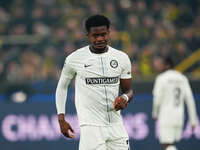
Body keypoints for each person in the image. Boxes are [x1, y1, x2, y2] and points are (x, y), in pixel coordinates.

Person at [56, 14, 133, 150]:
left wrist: (125, 97)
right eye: (95, 36)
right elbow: (62, 87)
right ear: (88, 36)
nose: (99, 39)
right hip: (91, 127)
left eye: (103, 35)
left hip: (116, 125)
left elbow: (128, 90)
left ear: (109, 33)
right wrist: (61, 118)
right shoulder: (74, 59)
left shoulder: (122, 58)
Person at [152, 57, 197, 150]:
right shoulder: (182, 78)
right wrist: (193, 120)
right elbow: (190, 100)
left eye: (162, 64)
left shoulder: (161, 78)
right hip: (179, 116)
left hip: (166, 115)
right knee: (171, 143)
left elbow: (157, 99)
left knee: (166, 144)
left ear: (167, 65)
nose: (159, 66)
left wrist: (155, 114)